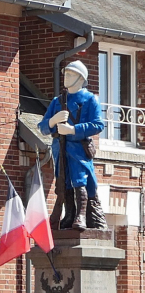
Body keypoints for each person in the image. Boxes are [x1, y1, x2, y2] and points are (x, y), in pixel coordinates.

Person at [39, 60, 106, 231]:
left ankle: (81, 215)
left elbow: (98, 125)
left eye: (70, 74)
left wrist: (72, 129)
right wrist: (53, 120)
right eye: (65, 73)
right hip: (60, 149)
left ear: (80, 77)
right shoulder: (57, 101)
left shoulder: (90, 99)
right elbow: (43, 127)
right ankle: (69, 214)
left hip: (78, 150)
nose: (65, 77)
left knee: (79, 180)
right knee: (64, 182)